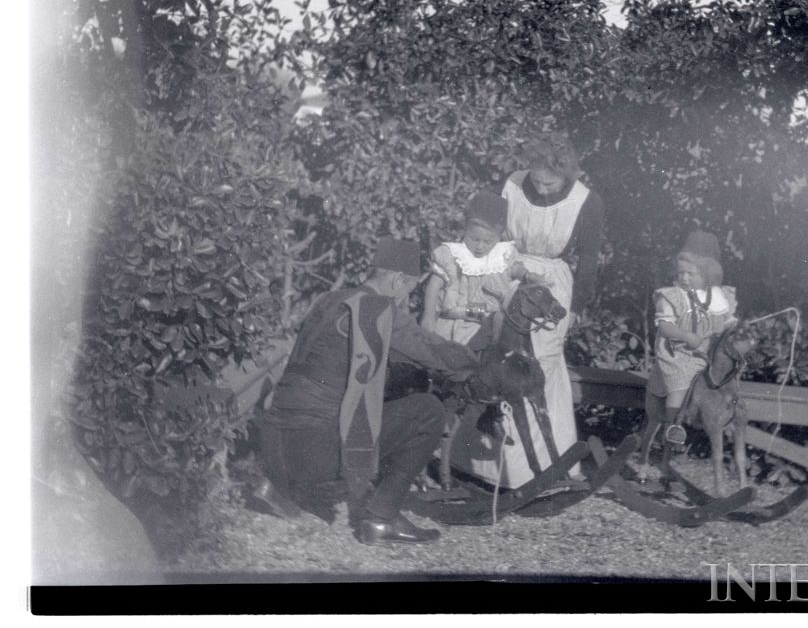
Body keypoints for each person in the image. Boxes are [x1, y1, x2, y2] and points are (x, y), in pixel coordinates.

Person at [251, 237, 479, 545]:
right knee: (428, 410)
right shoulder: (377, 308)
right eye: (408, 289)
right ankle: (381, 518)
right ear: (398, 280)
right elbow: (437, 354)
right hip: (314, 454)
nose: (405, 299)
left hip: (273, 446)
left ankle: (280, 488)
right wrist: (477, 365)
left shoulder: (330, 300)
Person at [452, 132, 605, 486]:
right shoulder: (512, 185)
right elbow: (487, 230)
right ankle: (483, 464)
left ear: (566, 174)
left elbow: (589, 261)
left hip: (551, 285)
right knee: (494, 357)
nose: (542, 188)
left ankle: (543, 466)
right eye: (537, 181)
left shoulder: (586, 201)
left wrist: (577, 307)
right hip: (508, 272)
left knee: (539, 365)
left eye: (550, 183)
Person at [645, 230, 738, 446]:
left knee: (727, 374)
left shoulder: (717, 297)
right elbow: (665, 326)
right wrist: (685, 335)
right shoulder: (672, 296)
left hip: (707, 353)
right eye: (681, 273)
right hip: (678, 352)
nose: (684, 278)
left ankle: (727, 414)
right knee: (681, 380)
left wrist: (733, 328)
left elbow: (727, 321)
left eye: (691, 274)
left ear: (708, 275)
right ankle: (673, 424)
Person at [420, 192, 520, 346]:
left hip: (480, 322)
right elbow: (434, 286)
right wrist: (428, 317)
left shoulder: (499, 258)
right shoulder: (453, 254)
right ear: (465, 230)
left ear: (499, 237)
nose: (480, 246)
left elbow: (515, 271)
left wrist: (527, 274)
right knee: (439, 349)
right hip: (448, 320)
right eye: (474, 239)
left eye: (487, 242)